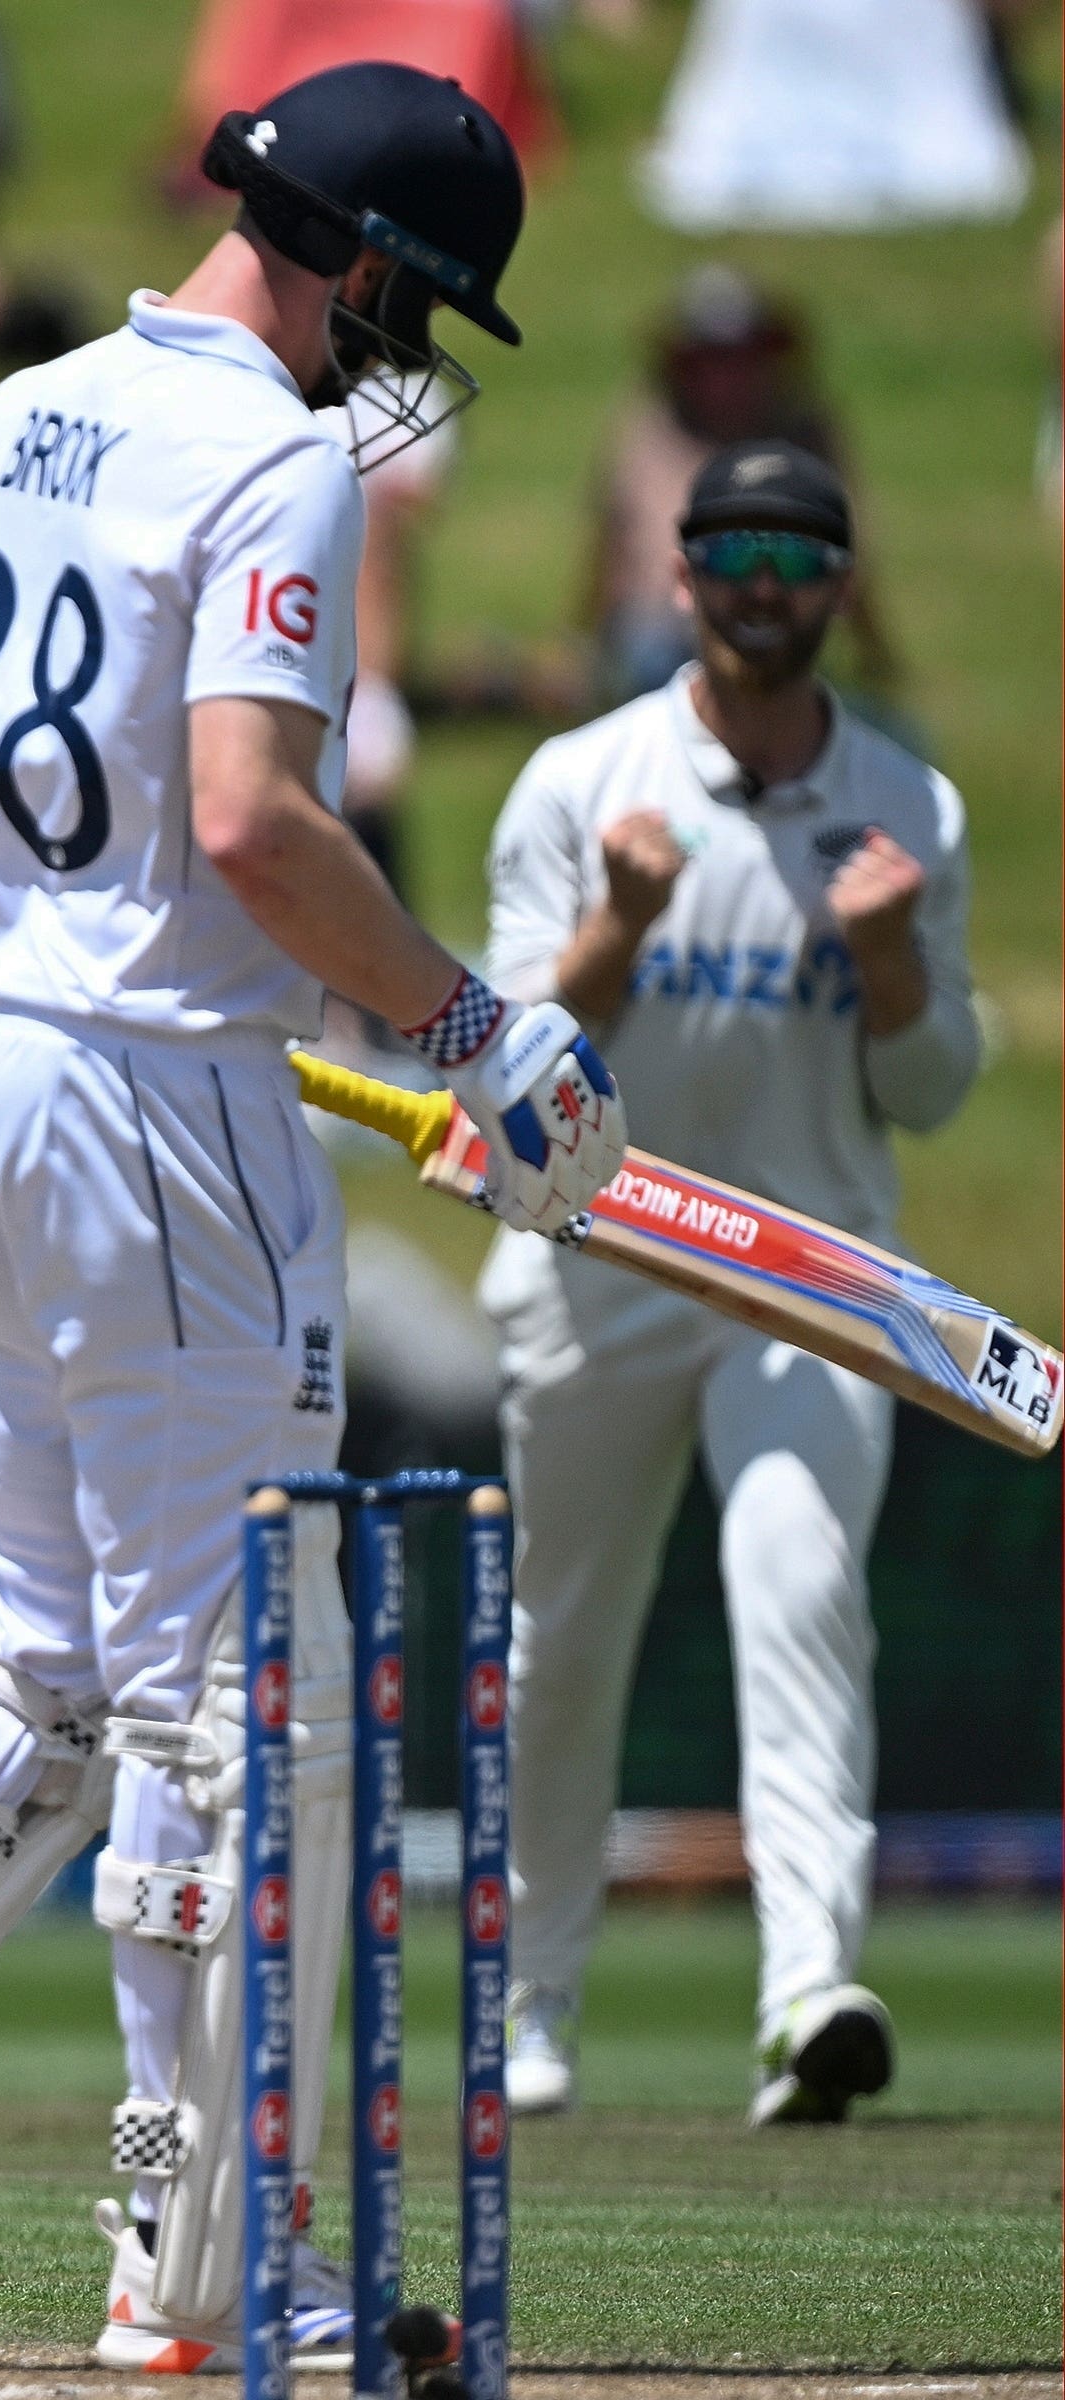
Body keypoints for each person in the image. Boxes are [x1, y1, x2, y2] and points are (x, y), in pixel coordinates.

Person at [0, 63, 627, 2371]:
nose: (405, 356)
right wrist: (476, 1029)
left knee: (48, 1648)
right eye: (412, 305)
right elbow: (258, 820)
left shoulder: (28, 410)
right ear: (353, 258)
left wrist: (73, 932)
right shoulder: (265, 454)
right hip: (164, 1111)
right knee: (228, 1688)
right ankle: (207, 2266)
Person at [482, 441, 978, 2131]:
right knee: (561, 1645)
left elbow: (930, 1091)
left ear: (842, 582)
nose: (763, 579)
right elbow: (505, 1081)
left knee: (797, 1586)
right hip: (602, 1257)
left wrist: (898, 966)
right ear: (679, 574)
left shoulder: (912, 805)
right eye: (731, 548)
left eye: (798, 549)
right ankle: (532, 2005)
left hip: (810, 1274)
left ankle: (806, 1993)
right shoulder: (580, 782)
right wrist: (614, 932)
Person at [584, 266, 891, 705]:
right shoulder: (649, 427)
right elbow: (610, 544)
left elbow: (847, 549)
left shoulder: (808, 434)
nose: (728, 376)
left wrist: (874, 651)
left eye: (743, 358)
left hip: (780, 613)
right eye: (711, 360)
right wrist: (587, 644)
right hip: (665, 629)